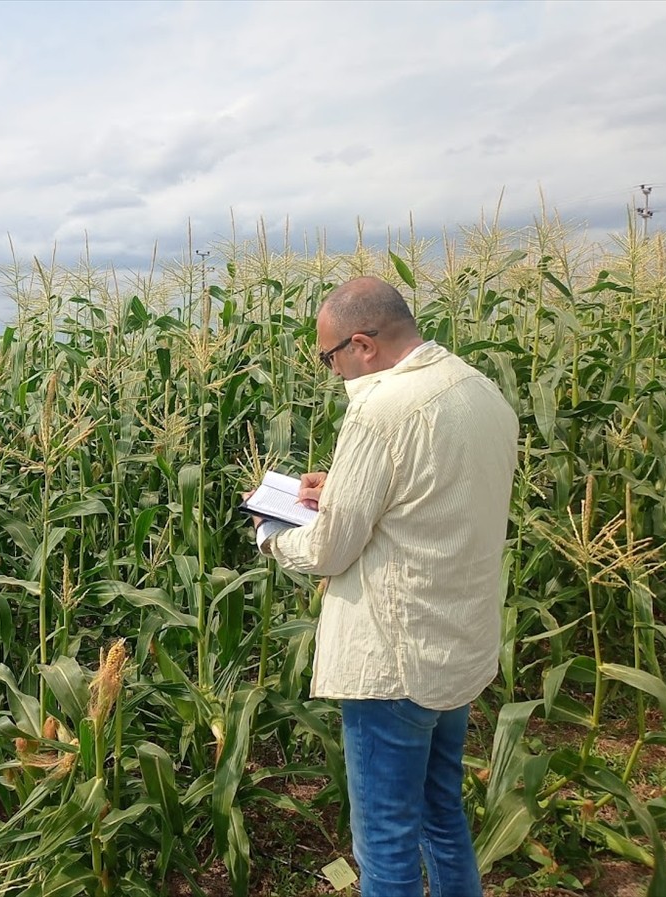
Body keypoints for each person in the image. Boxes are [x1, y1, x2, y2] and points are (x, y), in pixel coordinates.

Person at [250, 276, 518, 897]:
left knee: (387, 843)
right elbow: (429, 495)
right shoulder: (480, 391)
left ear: (363, 344)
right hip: (456, 653)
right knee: (441, 818)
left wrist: (269, 532)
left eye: (330, 357)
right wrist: (338, 489)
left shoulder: (381, 409)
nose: (332, 370)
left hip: (393, 664)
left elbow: (328, 548)